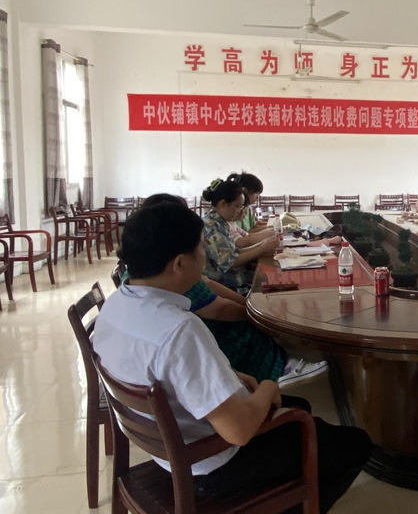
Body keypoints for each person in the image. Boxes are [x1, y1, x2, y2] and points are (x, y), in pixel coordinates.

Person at [93, 203, 372, 510]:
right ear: (179, 263)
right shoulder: (178, 329)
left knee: (299, 406)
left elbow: (166, 372)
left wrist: (231, 378)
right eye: (201, 249)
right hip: (212, 465)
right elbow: (238, 431)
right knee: (355, 444)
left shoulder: (116, 305)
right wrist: (268, 387)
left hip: (166, 449)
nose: (205, 258)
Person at [135, 193, 326, 387]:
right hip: (211, 328)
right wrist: (258, 316)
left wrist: (249, 305)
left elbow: (209, 283)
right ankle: (278, 370)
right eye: (201, 248)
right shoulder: (174, 276)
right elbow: (219, 308)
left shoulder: (146, 267)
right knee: (248, 331)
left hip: (207, 314)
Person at [202, 179, 278, 294]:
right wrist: (262, 248)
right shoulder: (211, 226)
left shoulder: (221, 222)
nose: (240, 211)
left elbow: (235, 251)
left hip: (237, 277)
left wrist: (263, 244)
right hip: (227, 286)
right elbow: (229, 262)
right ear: (223, 204)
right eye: (237, 206)